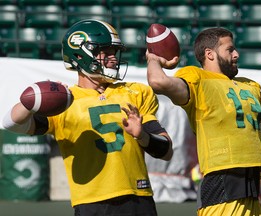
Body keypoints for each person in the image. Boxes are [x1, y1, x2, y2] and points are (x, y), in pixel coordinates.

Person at [2, 19, 173, 216]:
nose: (113, 59)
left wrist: (142, 135)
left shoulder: (136, 92)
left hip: (138, 198)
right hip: (91, 203)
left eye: (114, 52)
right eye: (105, 52)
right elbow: (11, 123)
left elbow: (166, 151)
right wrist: (35, 98)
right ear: (80, 54)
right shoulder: (64, 102)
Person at [146, 27, 261, 215]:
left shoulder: (249, 85)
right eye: (230, 49)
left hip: (251, 192)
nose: (236, 54)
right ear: (209, 54)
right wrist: (153, 59)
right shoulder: (197, 77)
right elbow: (158, 81)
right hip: (222, 190)